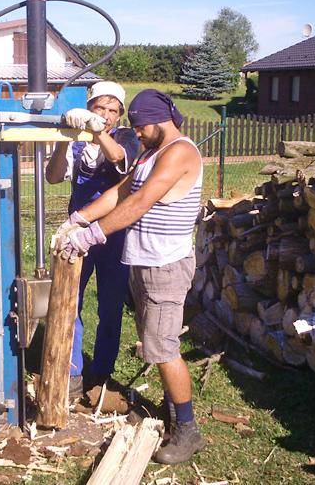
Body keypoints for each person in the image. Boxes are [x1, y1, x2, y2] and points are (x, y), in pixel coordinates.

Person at [53, 89, 205, 465]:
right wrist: (79, 218)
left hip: (166, 265)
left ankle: (187, 430)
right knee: (154, 341)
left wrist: (92, 235)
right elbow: (122, 191)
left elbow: (140, 202)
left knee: (163, 348)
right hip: (145, 263)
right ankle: (172, 413)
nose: (135, 133)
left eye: (140, 127)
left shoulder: (180, 152)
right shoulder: (153, 152)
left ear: (159, 121)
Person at [46, 81, 140, 399]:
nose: (106, 114)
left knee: (110, 307)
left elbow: (119, 160)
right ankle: (73, 373)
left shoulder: (125, 137)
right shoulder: (77, 143)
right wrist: (64, 139)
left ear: (119, 114)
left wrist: (98, 131)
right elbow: (53, 177)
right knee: (70, 300)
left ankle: (102, 373)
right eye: (100, 108)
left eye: (113, 110)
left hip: (114, 236)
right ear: (89, 108)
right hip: (77, 234)